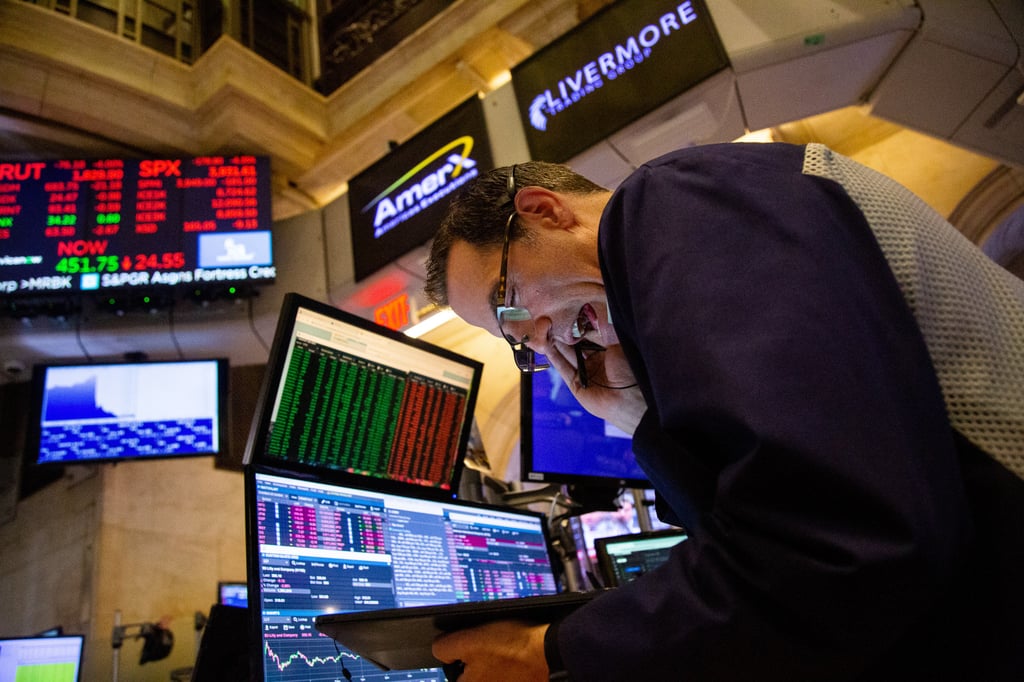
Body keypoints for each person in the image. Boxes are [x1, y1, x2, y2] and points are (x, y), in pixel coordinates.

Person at [422, 142, 1024, 681]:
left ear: (544, 210)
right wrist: (639, 421)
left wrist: (550, 651)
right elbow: (764, 527)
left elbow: (831, 547)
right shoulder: (691, 228)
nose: (536, 339)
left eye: (507, 302)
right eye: (514, 340)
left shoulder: (675, 201)